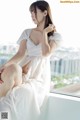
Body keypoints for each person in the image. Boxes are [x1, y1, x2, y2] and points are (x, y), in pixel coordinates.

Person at [0, 1, 62, 120]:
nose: (32, 15)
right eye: (31, 12)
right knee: (13, 68)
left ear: (45, 12)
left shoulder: (55, 36)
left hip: (37, 78)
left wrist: (44, 33)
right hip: (22, 73)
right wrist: (4, 67)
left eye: (34, 12)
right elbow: (20, 54)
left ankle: (3, 116)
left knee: (15, 95)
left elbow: (45, 53)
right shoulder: (27, 32)